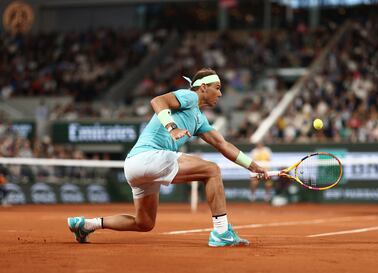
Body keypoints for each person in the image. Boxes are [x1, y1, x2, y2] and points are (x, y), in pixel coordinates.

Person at [67, 68, 269, 247]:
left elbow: (222, 144)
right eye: (217, 87)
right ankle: (222, 232)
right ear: (203, 87)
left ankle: (86, 225)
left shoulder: (199, 118)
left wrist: (252, 166)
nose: (220, 92)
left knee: (144, 223)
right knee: (212, 170)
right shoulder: (188, 97)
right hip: (149, 157)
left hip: (134, 166)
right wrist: (171, 127)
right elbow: (157, 101)